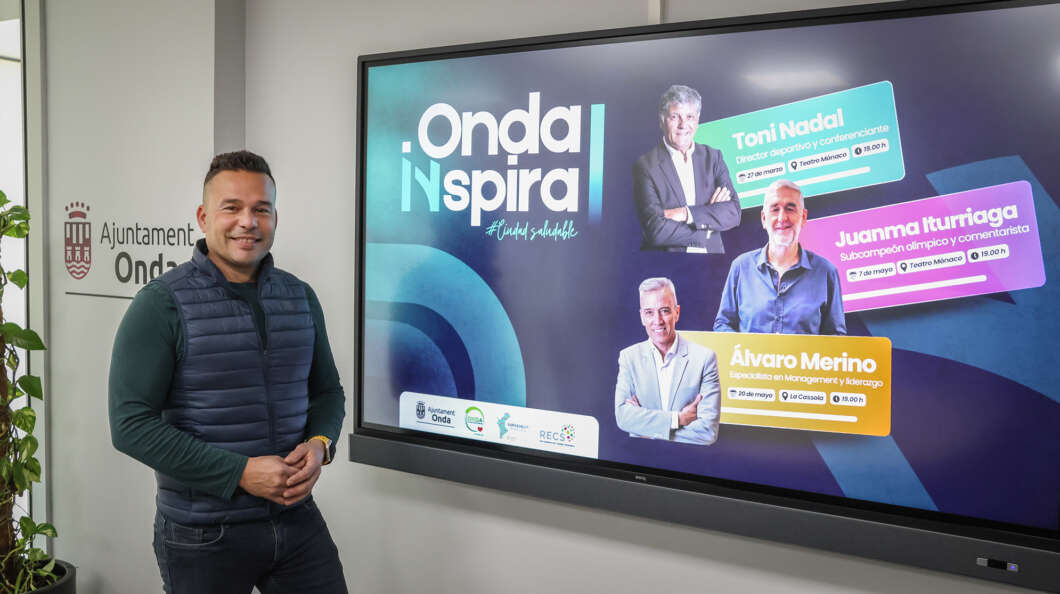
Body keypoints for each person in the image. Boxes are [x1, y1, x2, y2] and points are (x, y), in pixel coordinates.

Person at [109, 151, 347, 593]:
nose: (248, 222)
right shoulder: (161, 304)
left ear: (275, 217)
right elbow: (130, 425)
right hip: (202, 534)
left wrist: (320, 444)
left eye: (261, 209)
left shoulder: (300, 297)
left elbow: (328, 392)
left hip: (295, 520)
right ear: (203, 218)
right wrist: (240, 471)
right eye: (231, 208)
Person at [714, 179, 846, 335]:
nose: (782, 218)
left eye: (790, 209)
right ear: (764, 218)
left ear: (803, 217)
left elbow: (836, 337)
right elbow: (723, 325)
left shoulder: (826, 272)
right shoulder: (741, 267)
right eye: (775, 209)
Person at [633, 84, 741, 253]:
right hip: (668, 261)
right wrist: (707, 228)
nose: (683, 125)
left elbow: (733, 213)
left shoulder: (713, 157)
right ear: (662, 120)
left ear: (697, 121)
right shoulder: (645, 166)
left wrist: (685, 214)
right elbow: (655, 230)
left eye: (689, 117)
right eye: (675, 117)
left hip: (713, 260)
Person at [614, 277, 721, 445]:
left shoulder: (704, 359)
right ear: (642, 317)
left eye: (664, 311)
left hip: (687, 459)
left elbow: (707, 433)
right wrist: (678, 419)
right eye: (649, 312)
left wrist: (644, 430)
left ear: (676, 312)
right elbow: (623, 417)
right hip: (641, 457)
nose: (658, 321)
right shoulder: (629, 357)